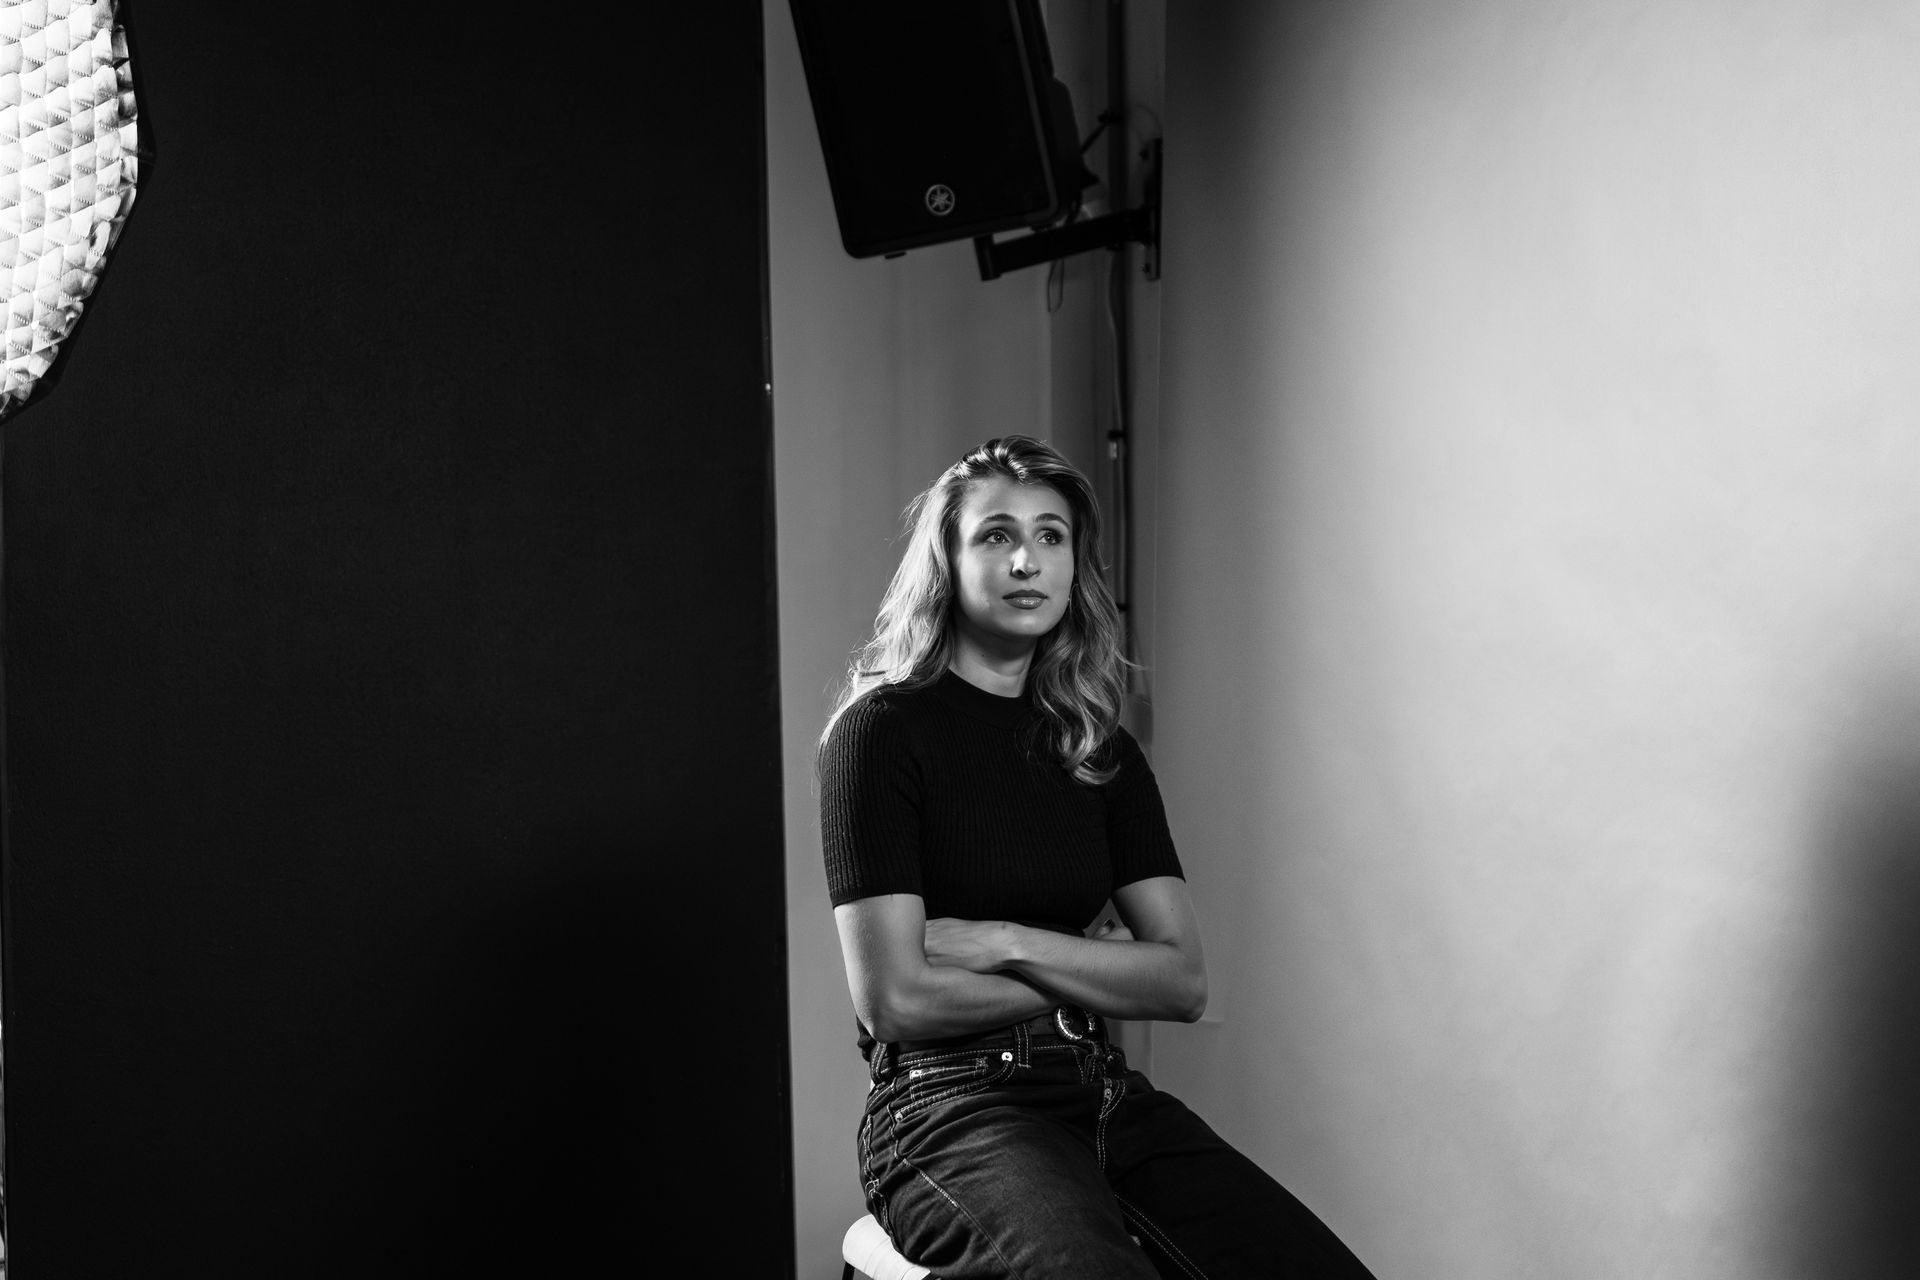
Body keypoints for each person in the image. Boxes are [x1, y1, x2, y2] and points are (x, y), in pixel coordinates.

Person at [818, 436, 1376, 1279]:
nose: (1027, 561)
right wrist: (1098, 963)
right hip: (950, 1106)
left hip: (1102, 1089)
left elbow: (1182, 982)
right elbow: (897, 1000)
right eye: (996, 535)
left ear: (1075, 566)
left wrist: (1005, 939)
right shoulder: (882, 733)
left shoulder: (1097, 749)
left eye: (1052, 536)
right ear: (948, 561)